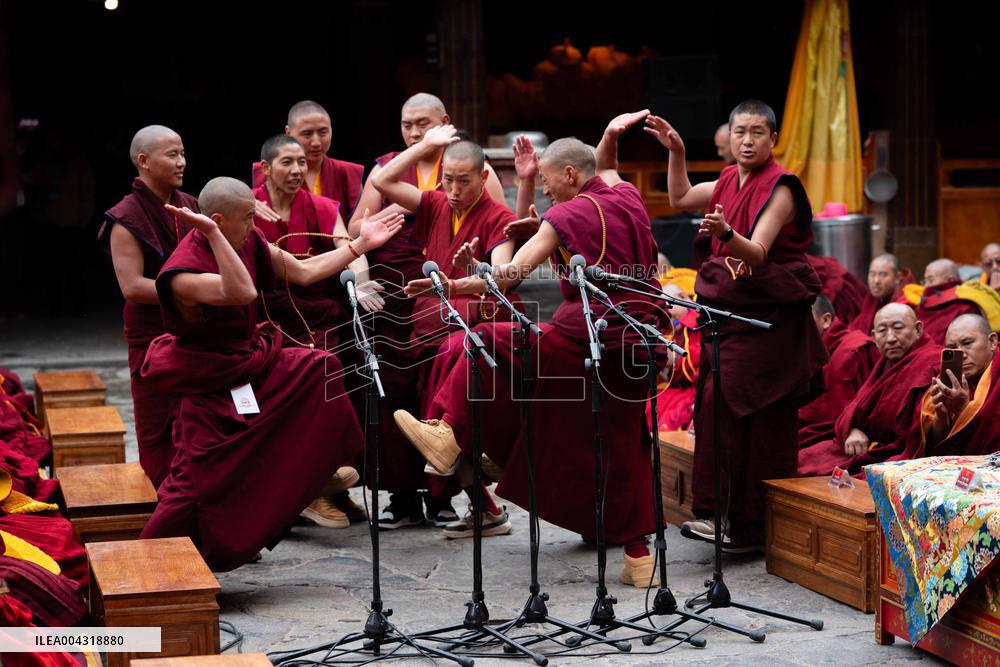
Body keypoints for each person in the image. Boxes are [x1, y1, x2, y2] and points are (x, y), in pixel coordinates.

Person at [393, 111, 669, 586]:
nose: (545, 193)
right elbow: (606, 165)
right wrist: (607, 134)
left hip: (580, 342)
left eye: (546, 181)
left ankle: (450, 432)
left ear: (569, 175)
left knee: (484, 338)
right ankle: (639, 556)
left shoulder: (566, 215)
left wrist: (453, 284)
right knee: (622, 444)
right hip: (639, 344)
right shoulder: (628, 196)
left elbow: (510, 277)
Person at [138, 177, 403, 571]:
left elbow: (304, 272)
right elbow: (241, 292)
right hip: (209, 378)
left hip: (249, 359)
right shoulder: (182, 273)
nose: (255, 224)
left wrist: (359, 246)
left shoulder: (248, 239)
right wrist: (213, 237)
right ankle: (142, 567)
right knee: (192, 483)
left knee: (320, 366)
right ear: (215, 220)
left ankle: (314, 469)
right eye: (247, 218)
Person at [647, 100, 827, 551]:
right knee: (716, 405)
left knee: (746, 412)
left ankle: (749, 523)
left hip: (767, 322)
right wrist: (676, 152)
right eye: (740, 132)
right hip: (730, 317)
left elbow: (760, 252)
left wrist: (726, 234)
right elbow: (679, 198)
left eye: (758, 133)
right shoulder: (728, 178)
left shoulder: (782, 187)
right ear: (729, 136)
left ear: (773, 139)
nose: (748, 141)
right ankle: (726, 515)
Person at [345, 93, 506, 530]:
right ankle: (400, 496)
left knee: (436, 397)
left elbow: (498, 228)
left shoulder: (468, 167)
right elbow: (356, 226)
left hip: (451, 300)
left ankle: (443, 498)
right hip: (394, 293)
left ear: (445, 122)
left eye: (422, 124)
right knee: (390, 396)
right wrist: (398, 210)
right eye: (407, 126)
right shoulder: (394, 166)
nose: (414, 132)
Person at [98, 125, 196, 489]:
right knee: (159, 432)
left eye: (183, 153)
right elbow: (133, 286)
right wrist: (193, 292)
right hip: (153, 336)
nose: (182, 162)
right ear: (144, 161)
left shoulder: (190, 205)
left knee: (200, 426)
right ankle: (170, 508)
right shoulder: (125, 218)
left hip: (194, 330)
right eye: (172, 155)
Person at [253, 134, 383, 348]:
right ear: (266, 168)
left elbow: (346, 244)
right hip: (264, 313)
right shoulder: (248, 206)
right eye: (287, 162)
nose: (297, 170)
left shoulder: (321, 206)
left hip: (314, 313)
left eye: (301, 162)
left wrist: (361, 281)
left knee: (325, 365)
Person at [797, 304, 940, 476]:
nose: (891, 338)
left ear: (918, 329)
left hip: (897, 455)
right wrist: (851, 428)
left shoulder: (932, 362)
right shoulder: (885, 363)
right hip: (862, 445)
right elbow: (855, 405)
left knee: (814, 473)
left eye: (898, 328)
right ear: (873, 336)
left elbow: (920, 433)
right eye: (882, 331)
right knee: (800, 460)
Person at [252, 100, 364, 220]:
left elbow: (359, 223)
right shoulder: (269, 170)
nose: (316, 142)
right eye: (307, 134)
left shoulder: (347, 173)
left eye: (323, 132)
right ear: (288, 133)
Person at [797, 295, 878, 448]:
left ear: (826, 320)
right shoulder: (805, 350)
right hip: (811, 433)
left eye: (803, 318)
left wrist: (854, 427)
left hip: (844, 436)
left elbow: (872, 403)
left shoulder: (857, 349)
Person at [919, 314, 999, 456]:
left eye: (967, 343)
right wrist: (942, 418)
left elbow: (990, 447)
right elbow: (937, 450)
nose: (961, 353)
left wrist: (963, 410)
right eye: (952, 348)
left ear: (992, 341)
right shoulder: (947, 382)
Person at [916, 258, 983, 345]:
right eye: (925, 281)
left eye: (931, 280)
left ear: (950, 280)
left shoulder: (964, 305)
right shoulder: (924, 305)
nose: (926, 286)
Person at [848, 254, 914, 334]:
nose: (876, 281)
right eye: (872, 274)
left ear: (897, 277)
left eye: (882, 274)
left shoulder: (908, 301)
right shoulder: (872, 299)